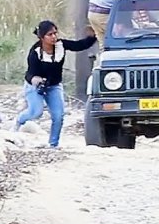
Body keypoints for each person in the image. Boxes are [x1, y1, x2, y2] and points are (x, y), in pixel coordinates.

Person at [14, 20, 97, 148]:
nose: (54, 37)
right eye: (49, 35)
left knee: (58, 116)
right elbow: (29, 74)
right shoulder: (35, 53)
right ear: (42, 37)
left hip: (54, 86)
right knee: (36, 112)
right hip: (35, 86)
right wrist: (36, 80)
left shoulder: (61, 45)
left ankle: (53, 144)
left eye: (55, 33)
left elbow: (79, 45)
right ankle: (19, 121)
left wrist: (92, 36)